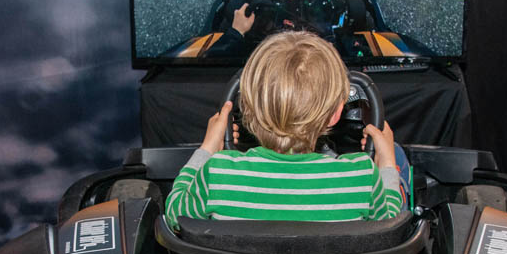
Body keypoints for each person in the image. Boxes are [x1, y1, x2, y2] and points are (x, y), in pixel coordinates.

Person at [165, 30, 403, 227]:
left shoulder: (218, 173)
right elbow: (391, 224)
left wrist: (207, 149)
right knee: (399, 154)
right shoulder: (361, 176)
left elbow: (175, 214)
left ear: (246, 107)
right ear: (335, 114)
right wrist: (387, 164)